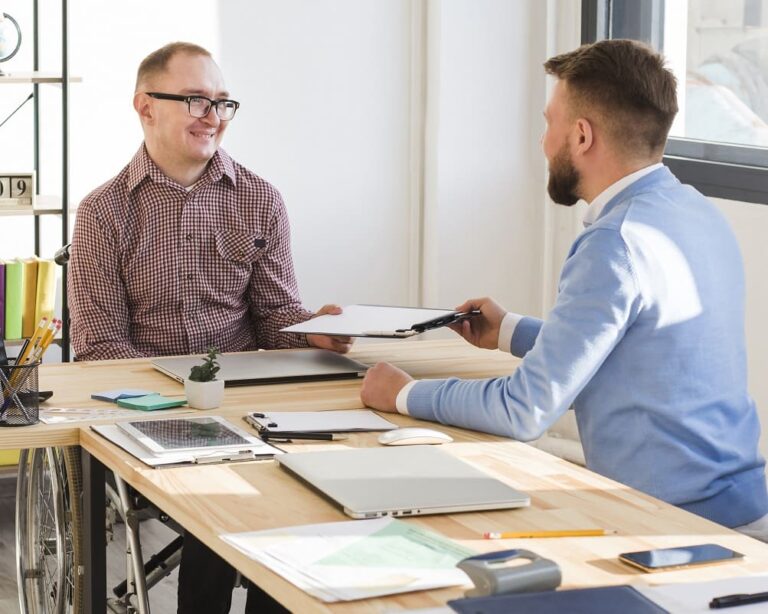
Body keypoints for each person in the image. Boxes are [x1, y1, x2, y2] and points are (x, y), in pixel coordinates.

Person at [361, 39, 768, 541]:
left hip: (673, 523)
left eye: (549, 122)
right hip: (741, 502)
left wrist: (404, 394)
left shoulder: (614, 243)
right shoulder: (696, 213)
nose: (542, 140)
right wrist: (508, 331)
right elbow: (628, 352)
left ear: (580, 136)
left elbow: (523, 409)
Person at [68, 42, 351, 613]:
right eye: (196, 100)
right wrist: (183, 407)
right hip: (152, 410)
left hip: (250, 400)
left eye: (224, 103)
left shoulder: (260, 199)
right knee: (221, 494)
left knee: (308, 493)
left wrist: (307, 332)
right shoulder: (102, 213)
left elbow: (275, 317)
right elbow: (99, 345)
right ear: (145, 106)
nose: (214, 116)